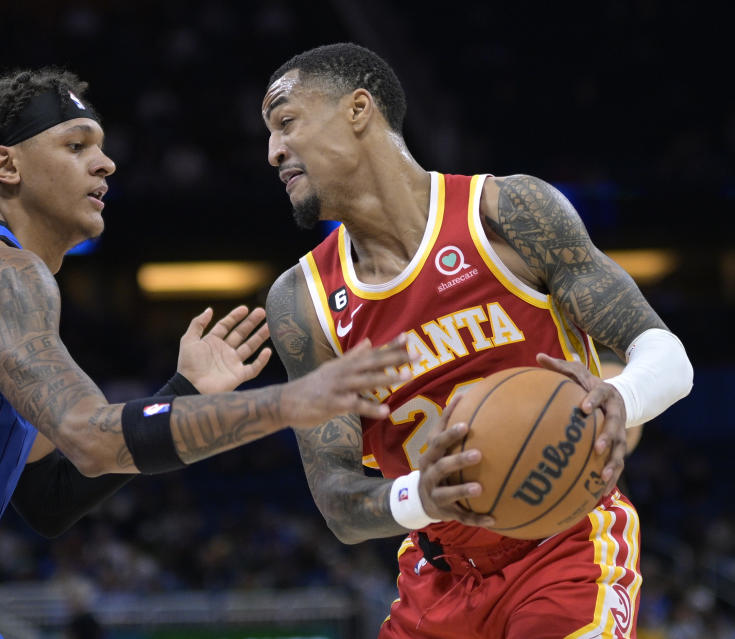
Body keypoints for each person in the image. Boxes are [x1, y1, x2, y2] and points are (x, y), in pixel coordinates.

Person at [0, 67, 416, 638]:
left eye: (104, 149)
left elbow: (50, 497)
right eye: (77, 146)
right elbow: (94, 436)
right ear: (7, 167)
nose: (105, 164)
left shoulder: (1, 288)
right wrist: (289, 403)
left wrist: (184, 395)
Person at [261, 43, 693, 639]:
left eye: (285, 123)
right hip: (435, 581)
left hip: (563, 551)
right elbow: (337, 501)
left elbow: (667, 355)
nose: (273, 150)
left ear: (358, 109)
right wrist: (425, 496)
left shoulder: (506, 214)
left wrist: (623, 400)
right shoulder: (302, 302)